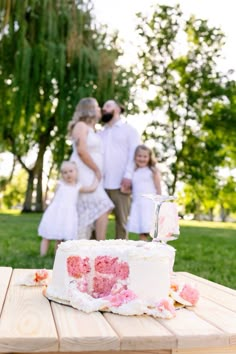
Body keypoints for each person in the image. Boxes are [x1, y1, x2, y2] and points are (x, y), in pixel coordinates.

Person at [68, 97, 114, 240]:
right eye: (97, 107)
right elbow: (81, 151)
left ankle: (90, 244)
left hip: (92, 174)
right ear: (90, 109)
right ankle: (99, 244)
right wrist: (97, 170)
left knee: (93, 208)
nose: (100, 109)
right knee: (103, 206)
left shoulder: (92, 129)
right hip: (84, 171)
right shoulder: (80, 126)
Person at [99, 99, 141, 239]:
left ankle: (122, 256)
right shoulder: (100, 133)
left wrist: (128, 176)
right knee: (97, 220)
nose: (103, 108)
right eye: (103, 106)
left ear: (117, 109)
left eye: (108, 105)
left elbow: (134, 155)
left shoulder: (130, 131)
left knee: (122, 222)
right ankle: (96, 254)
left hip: (121, 183)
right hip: (100, 184)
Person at [38, 160, 98, 256]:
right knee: (47, 235)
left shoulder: (77, 186)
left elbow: (91, 188)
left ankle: (57, 256)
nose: (68, 174)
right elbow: (53, 198)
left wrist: (97, 178)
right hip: (55, 213)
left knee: (60, 238)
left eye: (71, 171)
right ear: (62, 174)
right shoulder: (60, 184)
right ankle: (42, 255)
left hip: (67, 215)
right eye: (65, 172)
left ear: (76, 172)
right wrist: (48, 207)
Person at [126, 144, 162, 241]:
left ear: (149, 157)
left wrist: (159, 203)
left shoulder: (152, 171)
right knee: (142, 229)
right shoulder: (134, 171)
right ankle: (144, 249)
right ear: (135, 157)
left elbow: (158, 188)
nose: (142, 159)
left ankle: (157, 248)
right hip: (138, 203)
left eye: (145, 156)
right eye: (139, 156)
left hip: (149, 203)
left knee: (152, 229)